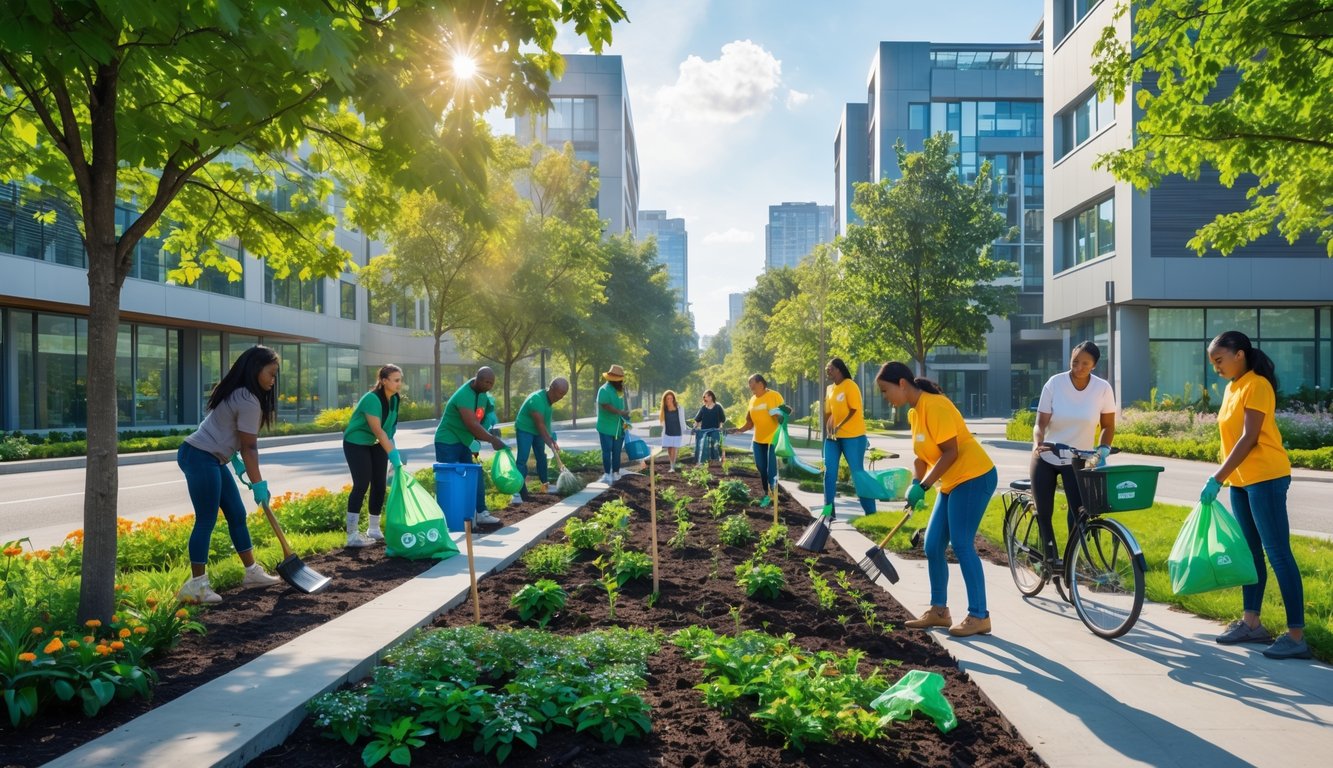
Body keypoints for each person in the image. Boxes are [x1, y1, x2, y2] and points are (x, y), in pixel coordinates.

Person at [1204, 331, 1310, 659]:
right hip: (1240, 481)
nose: (1216, 368)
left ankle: (1296, 636)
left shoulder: (1257, 385)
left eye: (1219, 360)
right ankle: (1251, 623)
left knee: (1278, 553)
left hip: (1266, 477)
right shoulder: (1232, 387)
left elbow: (1250, 438)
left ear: (1239, 355)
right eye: (1212, 363)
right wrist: (1227, 477)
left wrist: (1216, 478)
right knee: (1251, 555)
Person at [876, 361, 997, 638]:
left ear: (902, 384)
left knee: (962, 543)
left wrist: (927, 485)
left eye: (885, 390)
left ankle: (980, 615)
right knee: (932, 545)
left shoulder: (936, 406)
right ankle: (939, 611)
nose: (885, 397)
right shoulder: (914, 412)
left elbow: (950, 452)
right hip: (952, 482)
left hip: (974, 476)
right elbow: (922, 456)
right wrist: (917, 484)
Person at [175, 345, 281, 603]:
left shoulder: (238, 392)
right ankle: (196, 585)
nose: (273, 380)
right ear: (257, 370)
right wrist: (258, 484)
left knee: (236, 513)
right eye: (271, 373)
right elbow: (249, 446)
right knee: (206, 520)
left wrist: (235, 461)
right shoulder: (248, 399)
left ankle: (251, 572)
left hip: (211, 457)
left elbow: (225, 431)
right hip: (201, 456)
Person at [1030, 341, 1117, 562]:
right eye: (1074, 361)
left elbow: (1108, 425)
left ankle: (1072, 562)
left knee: (1079, 513)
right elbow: (1040, 423)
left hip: (1079, 457)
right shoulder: (1055, 383)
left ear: (1094, 365)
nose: (1078, 367)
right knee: (1044, 512)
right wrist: (1038, 443)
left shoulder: (1102, 389)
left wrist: (1103, 450)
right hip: (1048, 454)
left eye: (1084, 363)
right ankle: (1048, 559)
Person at [434, 367, 506, 526]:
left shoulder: (483, 396)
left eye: (492, 383)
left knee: (473, 475)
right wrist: (492, 440)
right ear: (477, 379)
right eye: (486, 382)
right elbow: (472, 424)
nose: (489, 385)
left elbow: (481, 417)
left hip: (465, 441)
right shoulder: (463, 395)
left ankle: (480, 513)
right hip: (448, 441)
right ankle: (449, 519)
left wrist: (490, 427)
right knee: (451, 480)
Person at [342, 364, 403, 548]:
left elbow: (389, 429)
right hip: (356, 442)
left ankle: (374, 529)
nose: (400, 384)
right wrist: (393, 455)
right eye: (396, 380)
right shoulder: (372, 399)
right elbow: (378, 431)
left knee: (379, 484)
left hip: (376, 443)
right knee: (361, 484)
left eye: (400, 380)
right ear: (384, 381)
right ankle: (351, 534)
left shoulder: (394, 399)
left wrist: (393, 450)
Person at [822, 358, 876, 520]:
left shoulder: (850, 385)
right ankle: (828, 512)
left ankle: (871, 514)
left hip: (853, 437)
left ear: (839, 369)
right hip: (833, 439)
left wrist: (839, 425)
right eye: (827, 369)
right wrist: (828, 428)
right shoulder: (830, 388)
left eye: (830, 368)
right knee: (829, 473)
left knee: (857, 474)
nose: (828, 371)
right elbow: (828, 412)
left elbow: (854, 410)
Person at [730, 374, 784, 508]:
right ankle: (769, 491)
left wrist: (780, 416)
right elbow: (750, 422)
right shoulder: (753, 400)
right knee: (760, 466)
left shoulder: (774, 395)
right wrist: (739, 430)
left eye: (751, 383)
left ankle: (770, 495)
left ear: (760, 383)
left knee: (771, 469)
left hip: (772, 439)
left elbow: (784, 415)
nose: (750, 386)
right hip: (758, 439)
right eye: (749, 384)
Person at [513, 377, 568, 504]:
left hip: (537, 430)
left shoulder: (549, 402)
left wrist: (552, 440)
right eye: (560, 393)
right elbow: (540, 425)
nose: (561, 397)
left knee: (541, 457)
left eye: (564, 394)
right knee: (522, 459)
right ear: (552, 388)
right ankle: (518, 491)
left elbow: (546, 424)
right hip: (525, 428)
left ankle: (545, 485)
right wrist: (548, 442)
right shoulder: (537, 399)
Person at [596, 364, 632, 484]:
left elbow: (623, 405)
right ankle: (607, 474)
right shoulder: (604, 390)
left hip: (618, 426)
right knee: (607, 451)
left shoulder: (619, 391)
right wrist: (620, 412)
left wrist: (627, 417)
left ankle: (616, 472)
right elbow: (605, 405)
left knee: (617, 451)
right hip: (606, 426)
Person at [690, 390, 727, 465]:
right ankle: (702, 462)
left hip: (715, 430)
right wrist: (694, 427)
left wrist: (720, 426)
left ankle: (716, 460)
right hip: (704, 431)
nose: (704, 398)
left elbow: (722, 419)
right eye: (703, 397)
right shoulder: (703, 408)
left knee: (715, 445)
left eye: (705, 397)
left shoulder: (718, 407)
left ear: (710, 397)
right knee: (703, 445)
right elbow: (697, 420)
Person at [659, 390, 687, 472]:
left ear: (674, 399)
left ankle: (672, 466)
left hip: (677, 431)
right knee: (669, 448)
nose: (670, 400)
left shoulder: (679, 408)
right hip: (668, 432)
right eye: (668, 398)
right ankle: (671, 464)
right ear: (665, 400)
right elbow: (662, 422)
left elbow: (682, 419)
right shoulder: (664, 409)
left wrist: (684, 428)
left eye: (671, 398)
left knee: (674, 449)